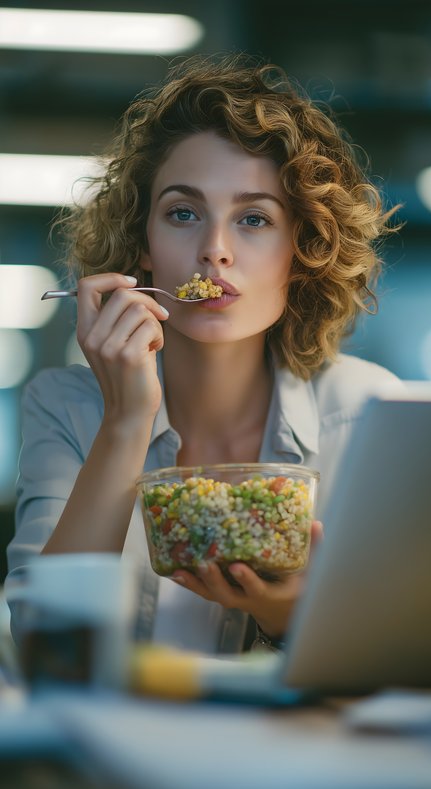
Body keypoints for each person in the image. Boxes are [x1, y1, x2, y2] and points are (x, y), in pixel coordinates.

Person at [7, 54, 402, 653]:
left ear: (304, 249)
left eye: (253, 218)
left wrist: (291, 616)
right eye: (184, 213)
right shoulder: (65, 406)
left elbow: (409, 663)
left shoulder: (374, 413)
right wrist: (126, 422)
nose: (214, 251)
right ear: (143, 245)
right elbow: (44, 644)